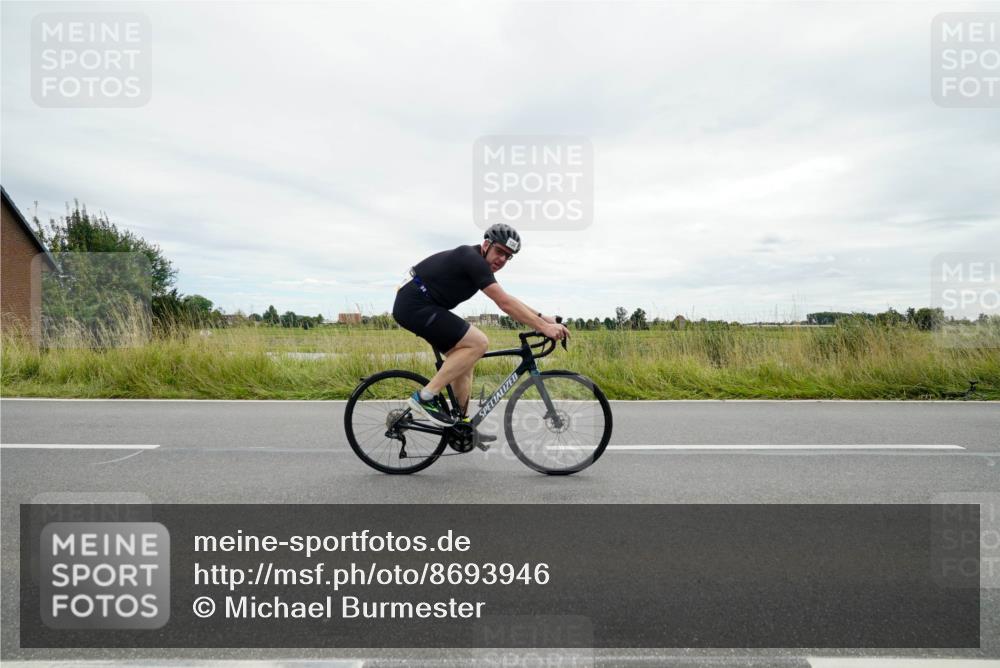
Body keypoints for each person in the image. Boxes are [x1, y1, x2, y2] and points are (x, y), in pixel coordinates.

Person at [392, 223, 570, 446]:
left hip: (424, 306)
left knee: (465, 361)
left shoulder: (479, 266)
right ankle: (425, 398)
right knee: (478, 343)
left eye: (508, 257)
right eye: (500, 252)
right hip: (414, 305)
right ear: (486, 245)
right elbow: (504, 303)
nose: (502, 260)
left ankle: (460, 425)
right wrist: (544, 328)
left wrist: (543, 318)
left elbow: (507, 297)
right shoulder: (470, 257)